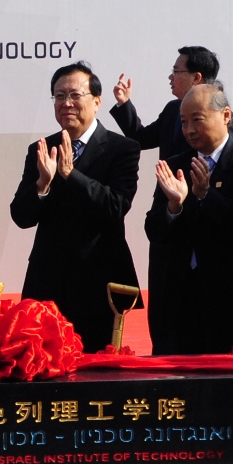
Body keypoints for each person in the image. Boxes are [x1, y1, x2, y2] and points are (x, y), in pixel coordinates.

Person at [10, 62, 141, 353]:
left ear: (97, 101)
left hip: (98, 282)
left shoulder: (122, 148)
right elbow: (21, 216)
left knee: (94, 367)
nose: (66, 103)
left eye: (74, 95)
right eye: (59, 96)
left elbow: (116, 206)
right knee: (41, 363)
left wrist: (71, 175)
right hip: (47, 280)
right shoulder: (41, 148)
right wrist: (42, 185)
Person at [142, 83, 233, 354]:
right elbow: (154, 230)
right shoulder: (175, 165)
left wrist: (206, 195)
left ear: (226, 116)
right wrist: (174, 206)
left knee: (228, 377)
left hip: (232, 298)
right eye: (183, 122)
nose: (189, 130)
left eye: (197, 120)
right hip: (180, 298)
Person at [109, 46, 233, 157]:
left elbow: (224, 159)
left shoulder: (222, 117)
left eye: (176, 71)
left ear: (196, 77)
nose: (171, 77)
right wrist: (124, 102)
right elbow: (141, 139)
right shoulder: (172, 108)